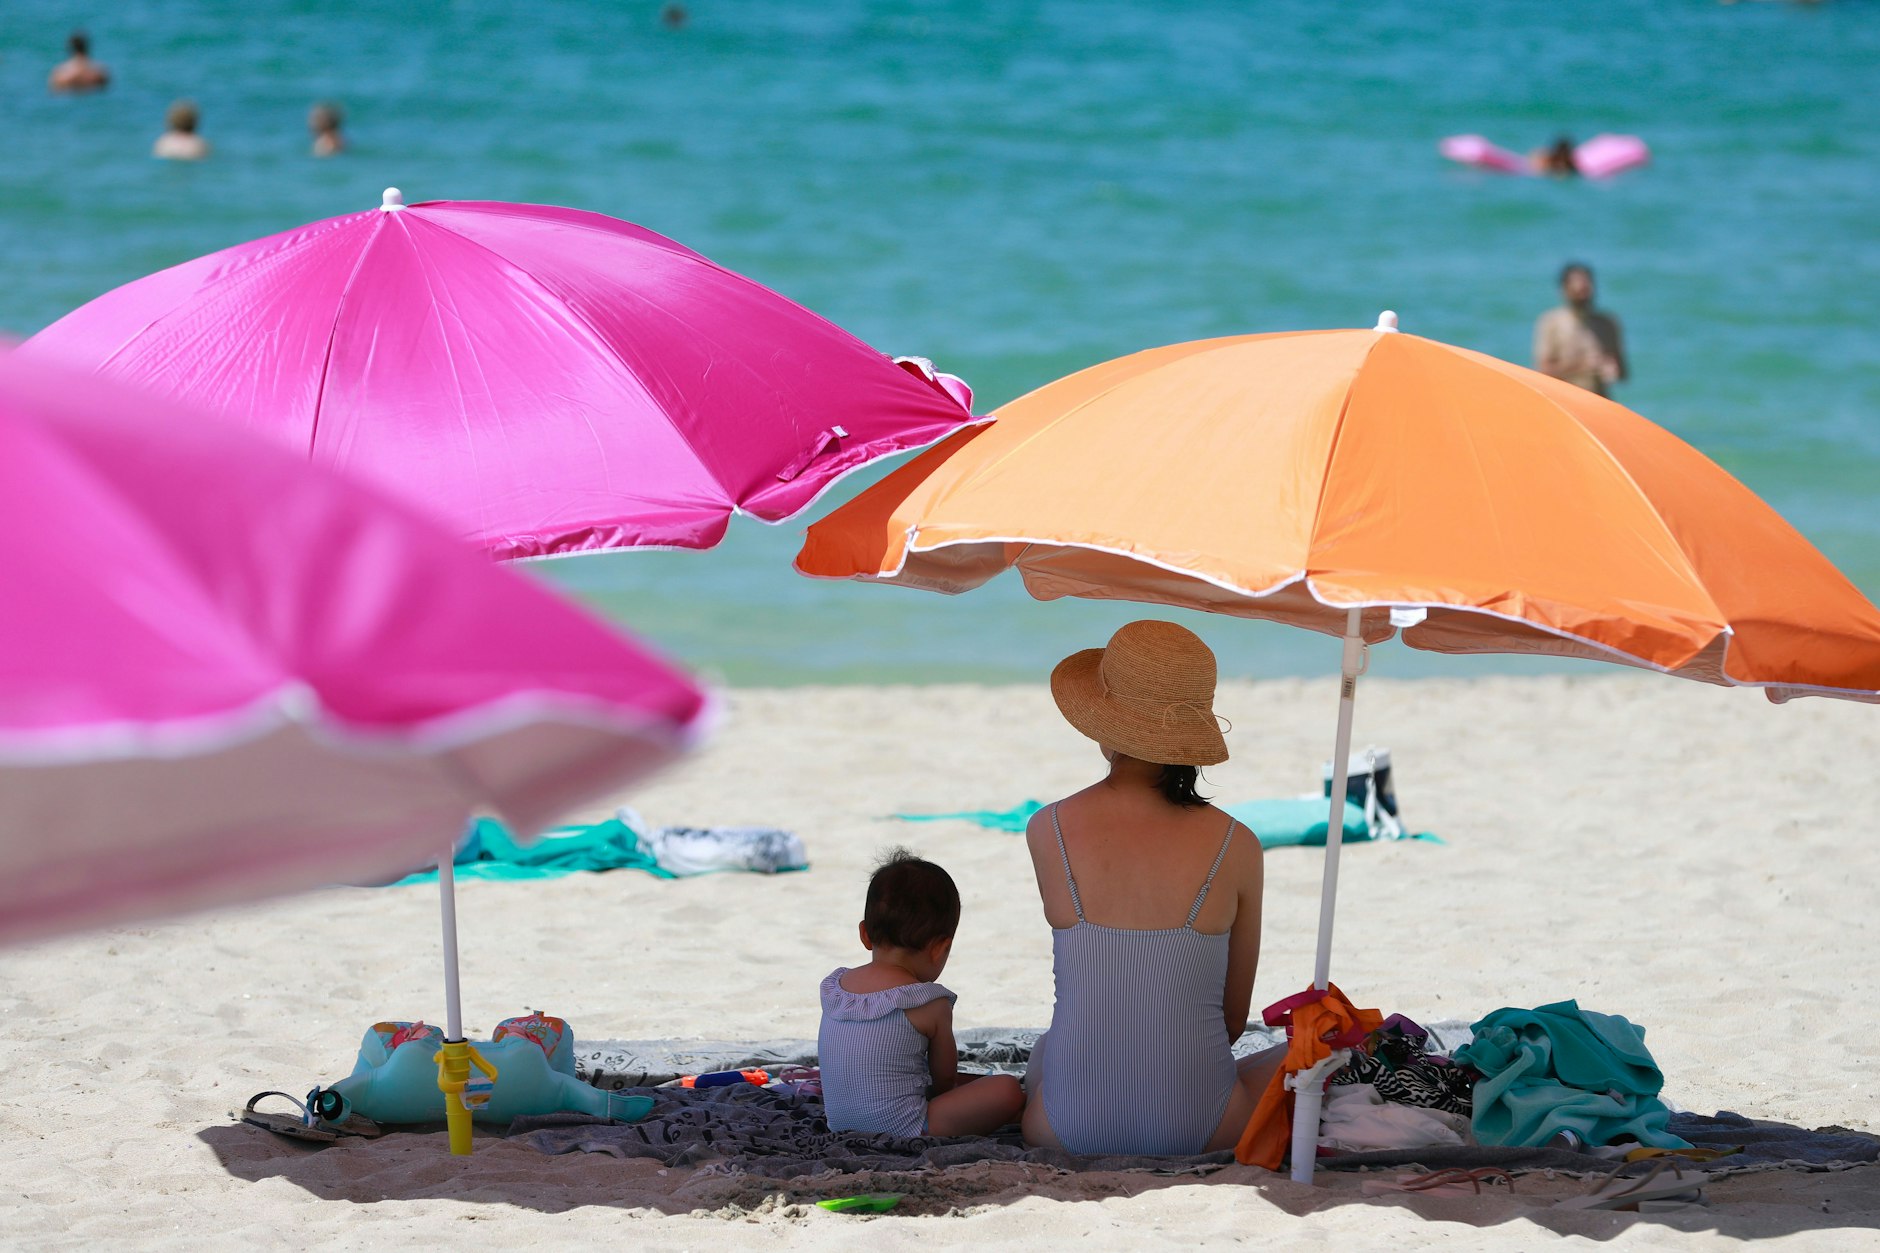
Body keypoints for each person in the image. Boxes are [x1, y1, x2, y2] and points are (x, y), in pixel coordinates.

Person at [1021, 620, 1284, 1156]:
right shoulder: (1239, 845)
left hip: (1066, 1129)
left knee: (1049, 1048)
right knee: (1302, 1055)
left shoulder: (1047, 829)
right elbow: (1232, 1021)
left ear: (1104, 725)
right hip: (1207, 1126)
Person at [817, 851, 1026, 1138]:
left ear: (865, 934)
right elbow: (944, 1082)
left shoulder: (837, 987)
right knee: (1007, 1089)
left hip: (839, 1124)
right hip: (908, 1128)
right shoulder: (929, 1002)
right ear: (940, 948)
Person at [1533, 262, 1627, 396]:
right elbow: (1542, 372)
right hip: (1565, 400)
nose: (1583, 293)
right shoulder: (1552, 323)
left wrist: (1613, 369)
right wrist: (1583, 367)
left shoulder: (1607, 323)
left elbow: (1623, 373)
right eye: (1577, 290)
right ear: (1564, 290)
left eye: (1586, 289)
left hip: (1599, 401)